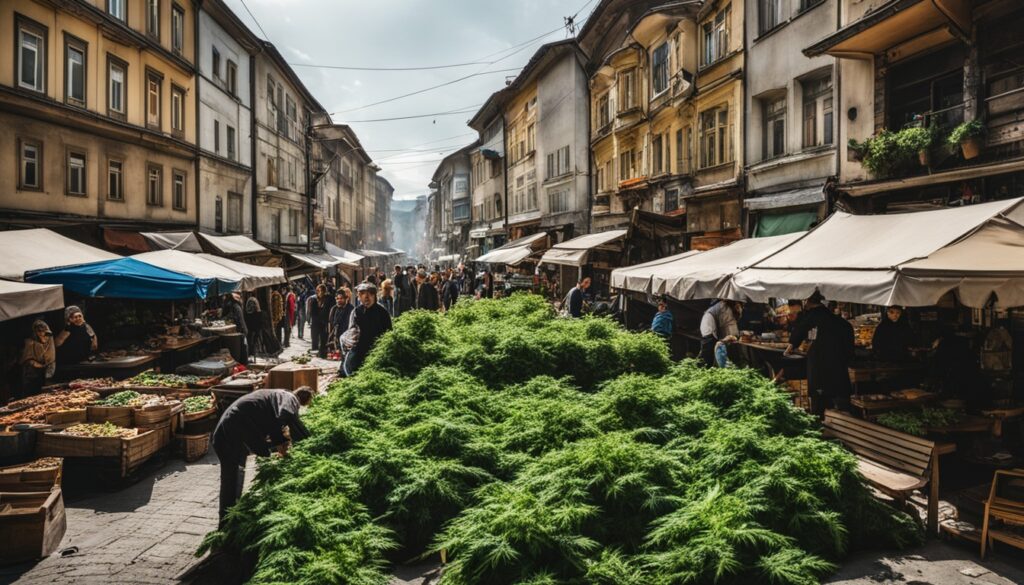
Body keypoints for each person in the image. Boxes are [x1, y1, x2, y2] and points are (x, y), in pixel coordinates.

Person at [212, 387, 313, 523]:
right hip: (232, 430)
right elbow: (285, 413)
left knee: (235, 475)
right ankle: (226, 524)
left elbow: (273, 420)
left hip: (230, 429)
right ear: (304, 399)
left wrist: (279, 441)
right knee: (231, 478)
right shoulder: (289, 398)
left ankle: (232, 516)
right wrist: (282, 442)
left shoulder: (276, 395)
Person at [786, 292, 855, 416]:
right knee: (840, 397)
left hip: (820, 364)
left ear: (807, 301)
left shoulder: (812, 316)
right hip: (838, 365)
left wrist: (791, 345)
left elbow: (800, 329)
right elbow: (849, 347)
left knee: (820, 400)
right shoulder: (838, 321)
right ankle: (845, 421)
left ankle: (820, 424)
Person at [343, 283, 393, 377]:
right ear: (359, 297)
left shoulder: (382, 313)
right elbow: (351, 332)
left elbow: (389, 335)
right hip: (359, 353)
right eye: (363, 294)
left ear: (374, 296)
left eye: (370, 294)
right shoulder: (356, 312)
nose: (367, 297)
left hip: (376, 353)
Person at [699, 300, 741, 367]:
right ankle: (706, 367)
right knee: (708, 350)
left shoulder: (725, 306)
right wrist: (735, 336)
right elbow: (729, 324)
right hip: (709, 327)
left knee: (711, 349)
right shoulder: (724, 307)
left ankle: (707, 366)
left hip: (710, 325)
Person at [20, 320, 55, 397]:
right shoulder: (30, 343)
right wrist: (39, 365)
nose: (42, 334)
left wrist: (48, 368)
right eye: (39, 331)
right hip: (32, 375)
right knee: (32, 395)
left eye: (44, 331)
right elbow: (27, 359)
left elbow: (51, 357)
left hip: (47, 374)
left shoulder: (49, 340)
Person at [224, 292, 248, 364]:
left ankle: (242, 364)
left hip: (240, 331)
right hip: (242, 330)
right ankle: (243, 364)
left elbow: (238, 319)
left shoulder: (234, 307)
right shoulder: (236, 306)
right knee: (243, 349)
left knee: (241, 350)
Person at [309, 284, 332, 358]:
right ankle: (315, 352)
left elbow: (330, 310)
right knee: (315, 338)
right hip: (315, 322)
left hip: (325, 322)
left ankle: (322, 354)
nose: (320, 292)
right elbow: (311, 312)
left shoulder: (329, 299)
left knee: (324, 339)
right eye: (319, 291)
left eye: (322, 290)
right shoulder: (313, 299)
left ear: (325, 291)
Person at [328, 289, 354, 355]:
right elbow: (331, 322)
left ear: (346, 299)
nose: (339, 300)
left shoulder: (351, 309)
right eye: (337, 299)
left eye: (341, 298)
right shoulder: (334, 309)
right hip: (337, 336)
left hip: (346, 336)